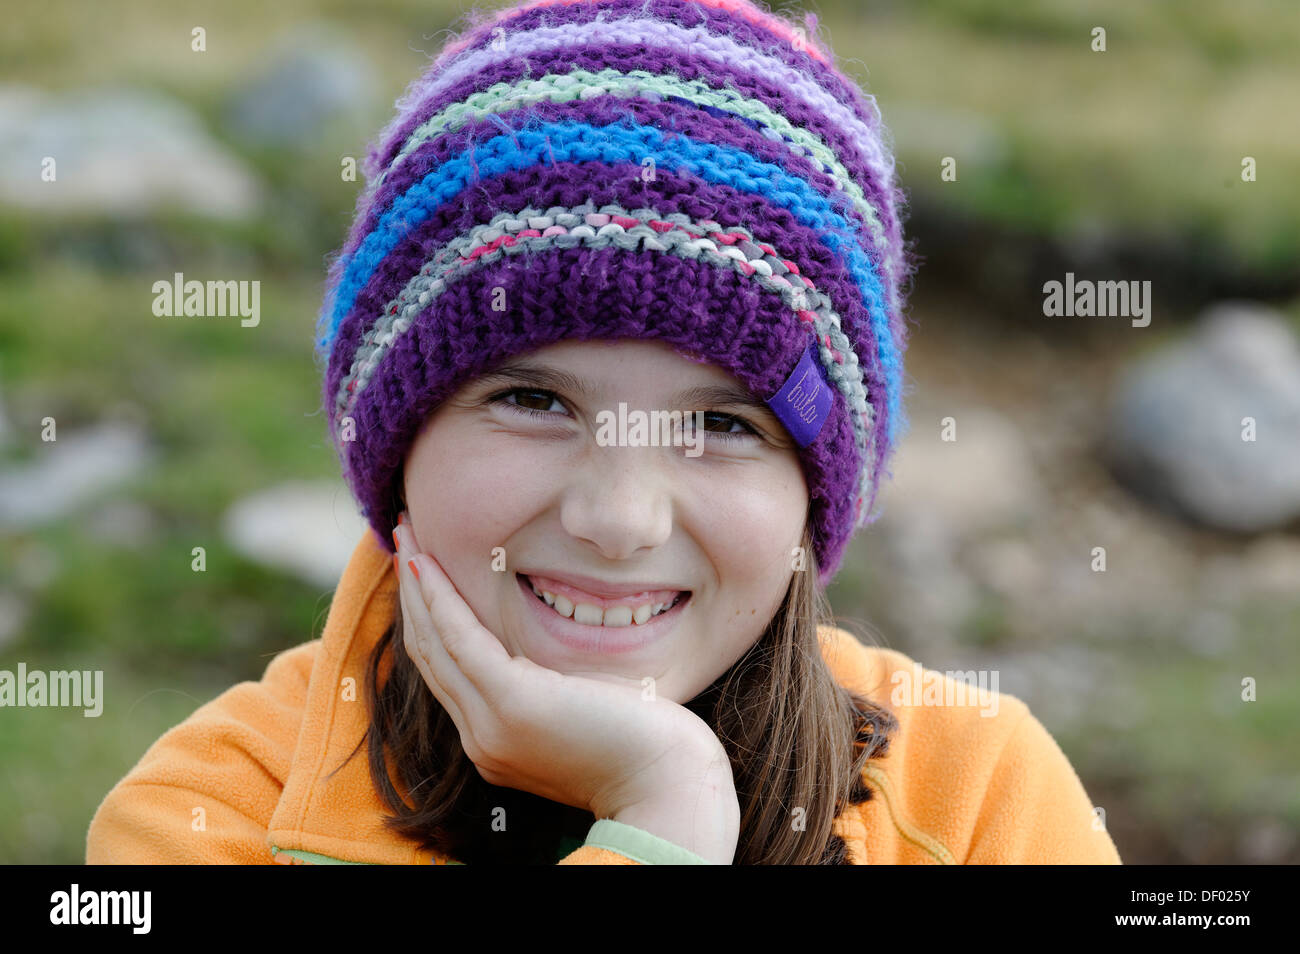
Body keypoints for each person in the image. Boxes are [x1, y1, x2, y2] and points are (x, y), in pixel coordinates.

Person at [86, 0, 1121, 865]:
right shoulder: (209, 817)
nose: (618, 520)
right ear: (395, 443)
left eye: (722, 424)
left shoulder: (982, 800)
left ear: (816, 494)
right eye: (534, 403)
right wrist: (662, 815)